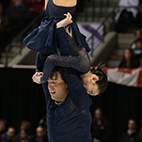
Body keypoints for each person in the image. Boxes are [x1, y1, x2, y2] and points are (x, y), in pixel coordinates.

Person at [32, 13, 108, 96]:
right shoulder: (83, 66)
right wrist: (43, 79)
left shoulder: (80, 70)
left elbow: (44, 52)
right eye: (91, 92)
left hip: (56, 23)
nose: (87, 92)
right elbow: (51, 59)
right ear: (94, 79)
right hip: (58, 20)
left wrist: (38, 70)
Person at [41, 66, 92, 142]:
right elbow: (42, 59)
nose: (50, 86)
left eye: (55, 82)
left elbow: (71, 63)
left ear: (67, 83)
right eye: (49, 82)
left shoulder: (78, 102)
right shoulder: (51, 101)